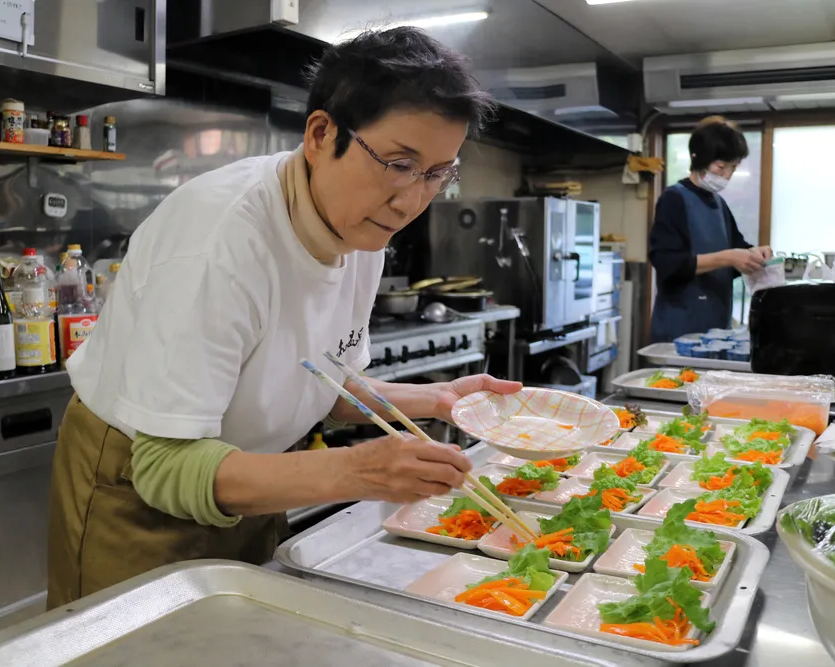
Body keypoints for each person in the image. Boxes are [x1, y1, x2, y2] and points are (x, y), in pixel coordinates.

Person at [46, 27, 522, 608]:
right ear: (322, 134)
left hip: (251, 479)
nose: (411, 201)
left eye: (437, 174)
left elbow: (319, 382)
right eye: (399, 163)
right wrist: (358, 471)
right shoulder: (220, 242)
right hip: (136, 485)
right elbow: (165, 467)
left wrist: (438, 398)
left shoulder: (361, 231)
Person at [648, 117, 772, 342]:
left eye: (732, 167)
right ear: (699, 160)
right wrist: (728, 257)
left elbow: (736, 249)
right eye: (720, 166)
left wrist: (754, 254)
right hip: (679, 331)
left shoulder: (719, 204)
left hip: (716, 330)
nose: (726, 175)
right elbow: (668, 262)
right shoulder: (674, 199)